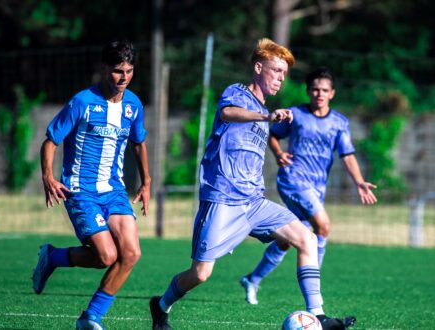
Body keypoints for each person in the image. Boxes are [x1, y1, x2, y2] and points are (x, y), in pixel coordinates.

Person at [149, 39, 356, 330]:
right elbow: (227, 114)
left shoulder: (264, 110)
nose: (281, 78)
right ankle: (161, 306)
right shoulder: (238, 93)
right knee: (200, 273)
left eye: (284, 73)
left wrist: (271, 126)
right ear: (259, 68)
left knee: (307, 238)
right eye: (276, 71)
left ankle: (319, 315)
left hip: (254, 202)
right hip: (222, 198)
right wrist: (266, 116)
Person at [32, 39, 151, 330]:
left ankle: (90, 318)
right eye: (117, 71)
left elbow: (138, 142)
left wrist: (146, 181)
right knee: (106, 256)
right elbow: (51, 141)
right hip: (81, 191)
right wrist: (48, 176)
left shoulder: (133, 105)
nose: (123, 78)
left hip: (114, 190)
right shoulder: (82, 102)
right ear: (103, 69)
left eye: (129, 71)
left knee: (131, 254)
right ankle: (53, 257)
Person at [239, 67, 377, 306]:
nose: (319, 94)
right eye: (315, 89)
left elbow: (347, 155)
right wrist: (279, 153)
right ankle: (315, 290)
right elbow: (273, 134)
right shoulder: (295, 115)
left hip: (316, 188)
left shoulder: (339, 123)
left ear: (332, 93)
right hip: (293, 181)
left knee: (286, 239)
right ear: (308, 91)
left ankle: (252, 279)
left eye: (324, 90)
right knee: (322, 226)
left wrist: (359, 182)